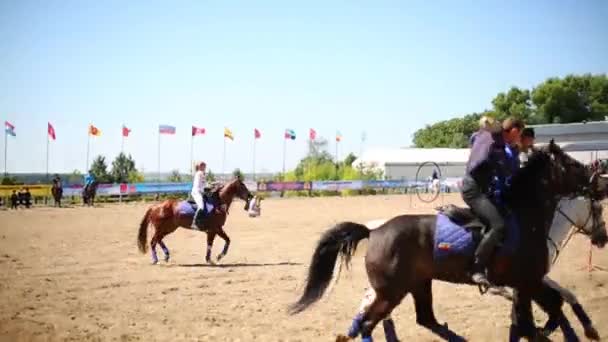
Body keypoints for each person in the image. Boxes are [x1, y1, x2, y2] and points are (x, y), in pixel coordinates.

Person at [462, 117, 524, 288]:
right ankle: (477, 268)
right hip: (473, 191)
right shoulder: (495, 144)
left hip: (482, 190)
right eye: (518, 134)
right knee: (498, 225)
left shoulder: (494, 143)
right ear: (512, 131)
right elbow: (506, 172)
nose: (518, 138)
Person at [191, 161, 209, 230]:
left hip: (200, 192)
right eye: (204, 166)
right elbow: (202, 185)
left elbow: (204, 184)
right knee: (201, 206)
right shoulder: (200, 173)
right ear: (201, 166)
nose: (205, 168)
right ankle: (194, 222)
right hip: (197, 192)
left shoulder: (201, 173)